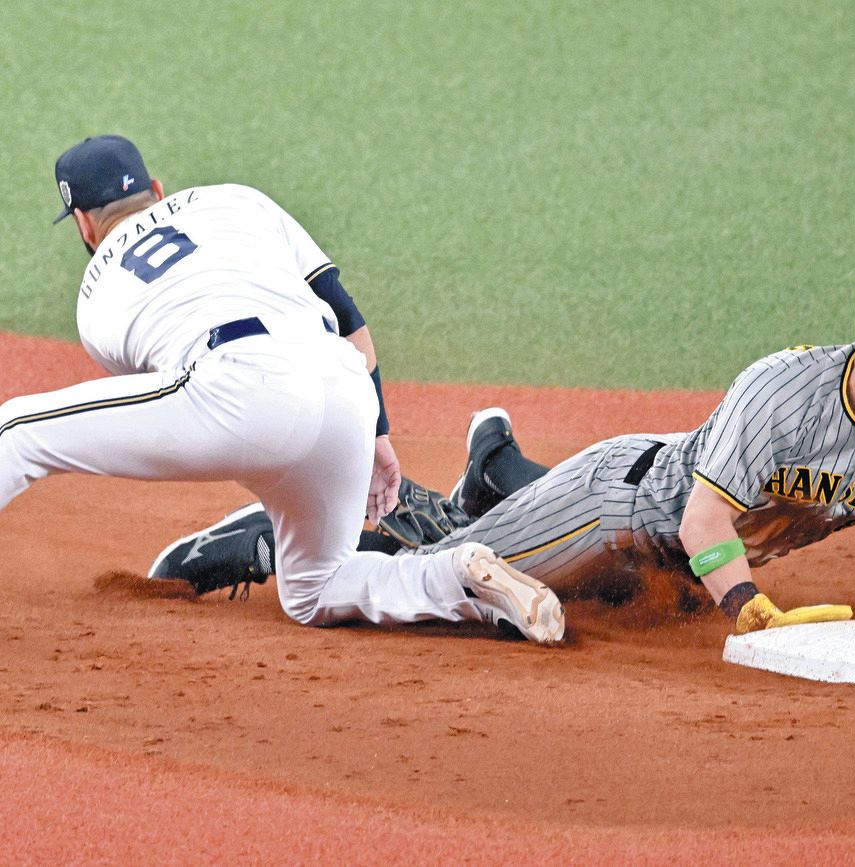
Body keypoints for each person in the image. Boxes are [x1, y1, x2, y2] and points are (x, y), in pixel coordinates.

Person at [154, 260, 855, 642]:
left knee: (597, 596)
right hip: (620, 506)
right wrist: (749, 607)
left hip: (674, 557)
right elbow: (704, 518)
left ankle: (496, 476)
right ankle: (276, 538)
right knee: (452, 592)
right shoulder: (782, 390)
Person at [0, 134, 563, 644]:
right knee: (315, 588)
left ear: (83, 225)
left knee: (18, 430)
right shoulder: (238, 199)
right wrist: (376, 434)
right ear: (156, 188)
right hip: (344, 383)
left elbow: (188, 411)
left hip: (238, 387)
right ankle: (457, 572)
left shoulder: (95, 297)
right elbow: (347, 315)